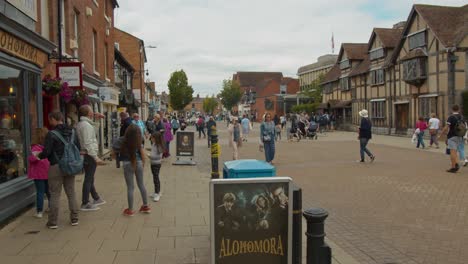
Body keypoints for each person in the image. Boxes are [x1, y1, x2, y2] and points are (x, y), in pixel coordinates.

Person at [37, 112, 80, 229]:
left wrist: (38, 156)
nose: (50, 122)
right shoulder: (72, 132)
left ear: (53, 119)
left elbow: (46, 152)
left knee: (55, 194)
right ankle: (74, 218)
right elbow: (78, 148)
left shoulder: (51, 134)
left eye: (50, 120)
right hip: (70, 165)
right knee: (71, 192)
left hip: (56, 166)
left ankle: (53, 222)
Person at [112, 124, 150, 216]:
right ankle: (146, 206)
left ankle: (130, 210)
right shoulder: (139, 139)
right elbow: (142, 152)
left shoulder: (121, 140)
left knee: (130, 187)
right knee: (141, 185)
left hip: (127, 164)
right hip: (139, 162)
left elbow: (113, 154)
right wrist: (143, 163)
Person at [76, 105, 106, 212]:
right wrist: (95, 157)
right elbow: (88, 142)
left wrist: (97, 120)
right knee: (89, 179)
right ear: (88, 113)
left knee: (90, 178)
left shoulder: (83, 124)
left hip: (87, 154)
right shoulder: (86, 126)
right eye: (91, 110)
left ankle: (96, 198)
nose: (93, 112)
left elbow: (94, 132)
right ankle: (85, 202)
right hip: (89, 155)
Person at [28, 127, 50, 218]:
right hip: (48, 172)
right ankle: (51, 206)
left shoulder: (35, 148)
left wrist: (29, 157)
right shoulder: (47, 147)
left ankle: (39, 211)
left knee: (40, 192)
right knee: (49, 191)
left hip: (38, 174)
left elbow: (34, 159)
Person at [439, 105, 465, 173]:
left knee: (452, 152)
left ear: (452, 110)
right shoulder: (462, 117)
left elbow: (446, 127)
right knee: (456, 151)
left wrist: (441, 134)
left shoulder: (451, 117)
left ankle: (453, 167)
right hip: (460, 136)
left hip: (452, 136)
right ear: (458, 109)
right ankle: (456, 164)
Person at [149, 132, 166, 202]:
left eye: (152, 138)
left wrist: (149, 156)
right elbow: (153, 151)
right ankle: (156, 192)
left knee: (156, 178)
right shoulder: (154, 144)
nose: (151, 139)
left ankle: (157, 193)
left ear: (156, 139)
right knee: (154, 177)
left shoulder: (159, 145)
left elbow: (159, 157)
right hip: (153, 163)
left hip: (156, 164)